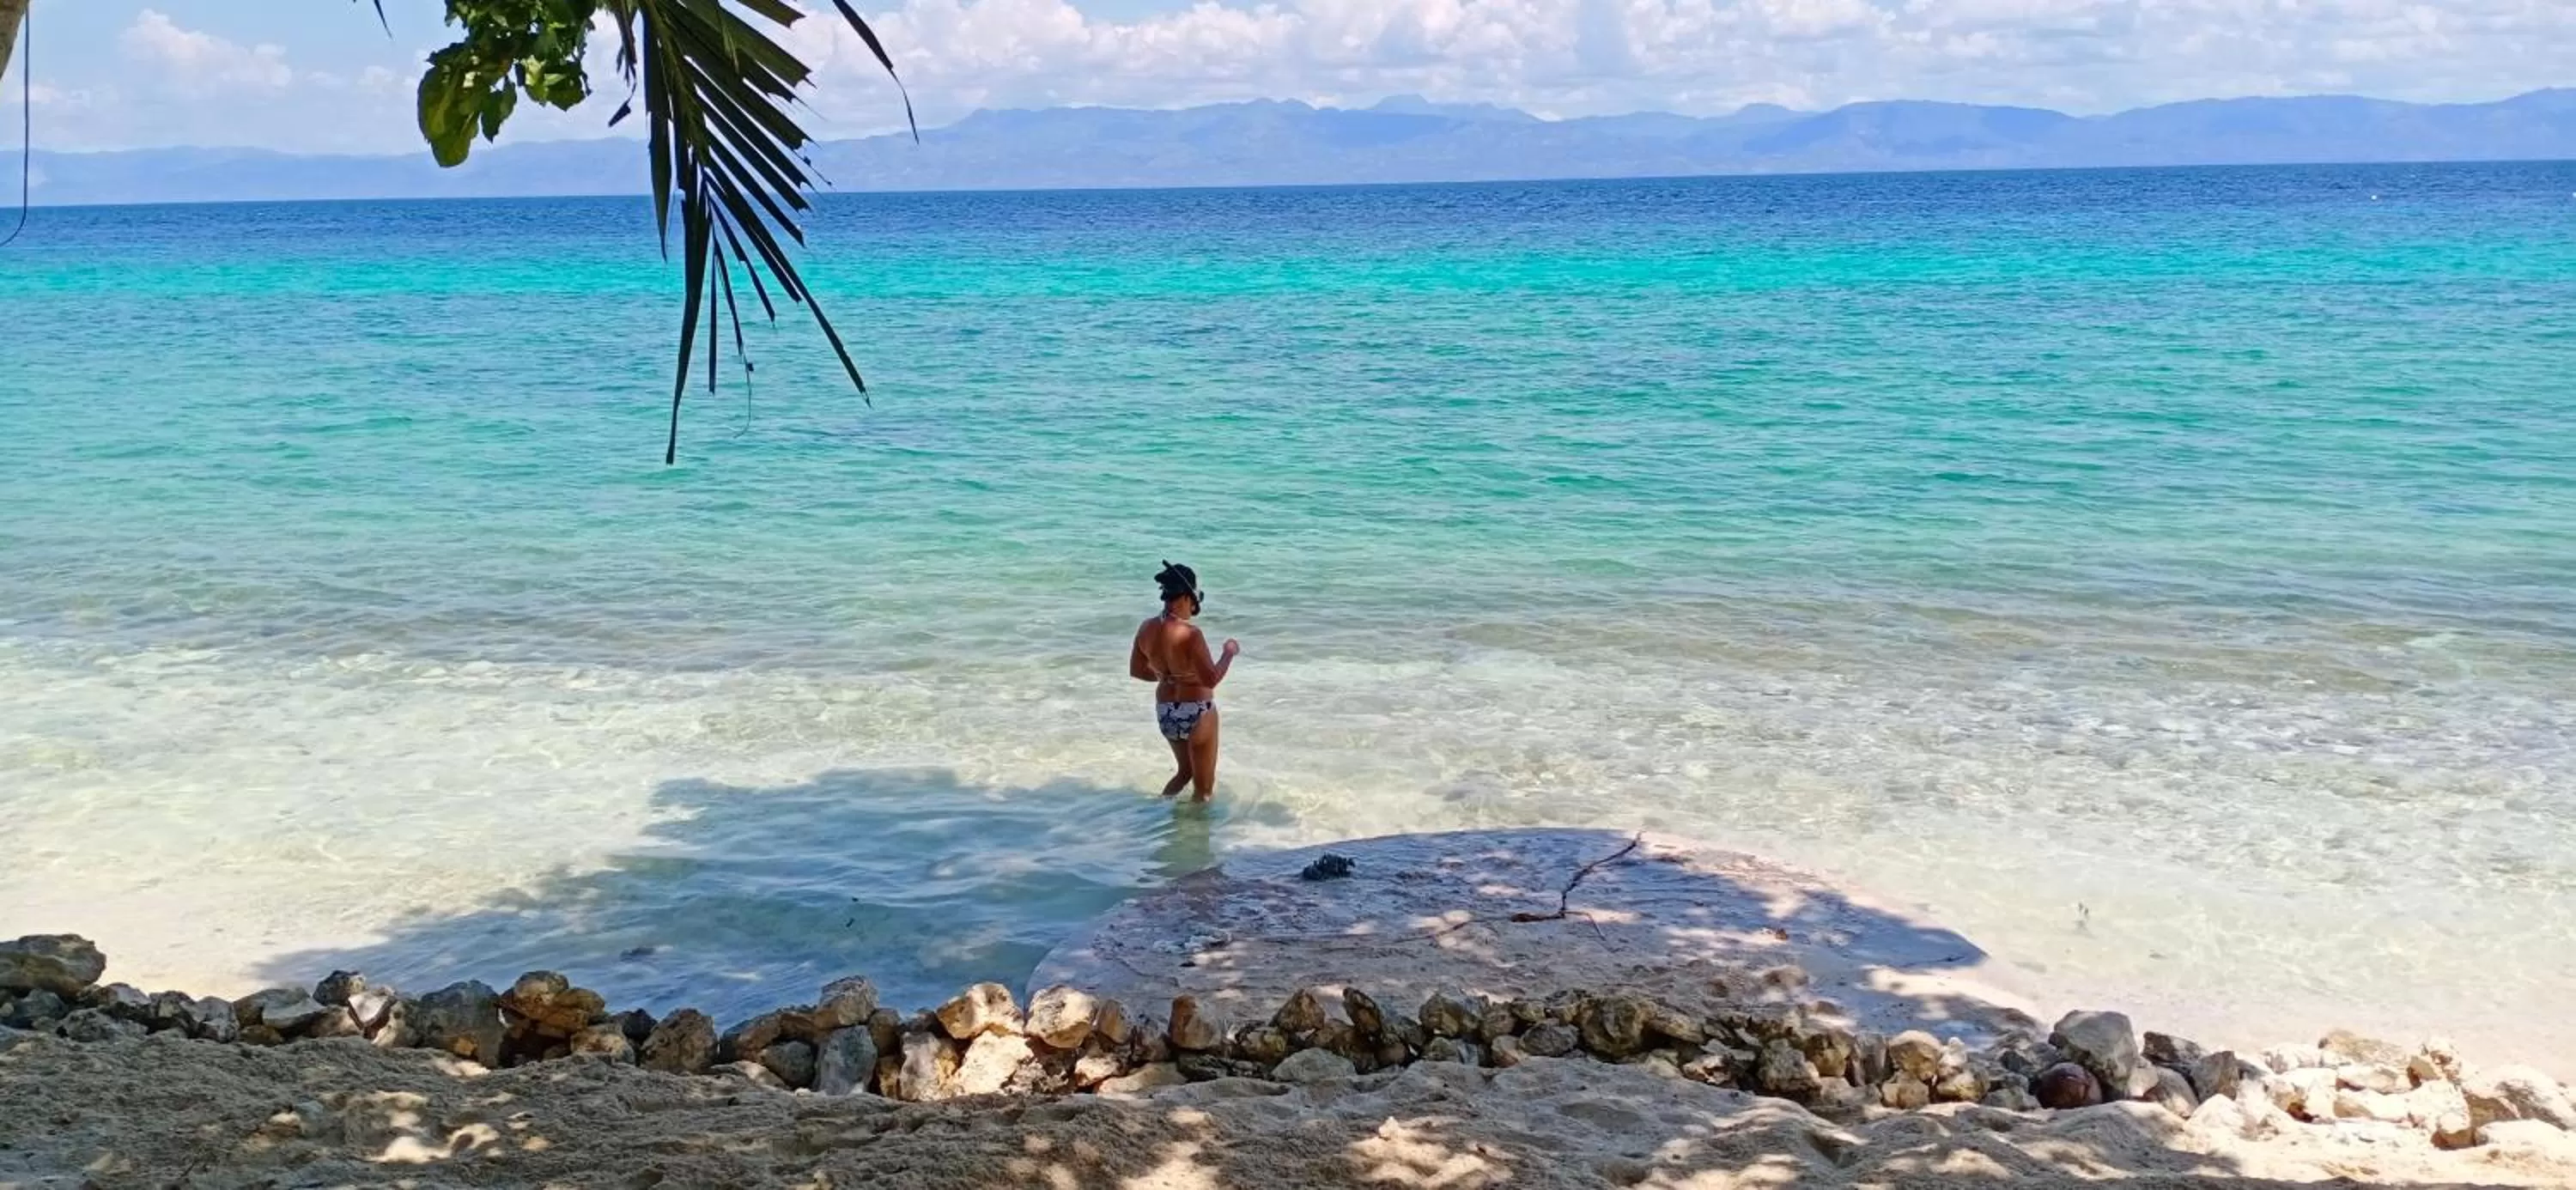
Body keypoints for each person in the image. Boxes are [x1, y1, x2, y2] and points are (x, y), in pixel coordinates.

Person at [1129, 561, 1240, 801]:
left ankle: (1158, 813)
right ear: (1187, 597)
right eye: (1195, 600)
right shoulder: (1190, 633)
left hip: (1166, 711)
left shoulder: (1146, 628)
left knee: (1184, 773)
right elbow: (1211, 680)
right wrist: (1229, 653)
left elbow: (1137, 671)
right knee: (1204, 791)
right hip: (1197, 711)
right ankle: (1193, 837)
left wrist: (1167, 677)